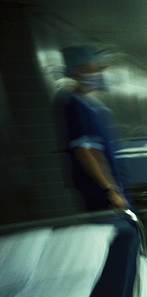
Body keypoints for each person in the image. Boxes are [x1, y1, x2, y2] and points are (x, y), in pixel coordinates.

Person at [56, 45, 129, 211]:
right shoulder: (74, 105)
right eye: (90, 70)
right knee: (117, 230)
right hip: (100, 190)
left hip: (111, 186)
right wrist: (109, 190)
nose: (97, 74)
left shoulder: (89, 104)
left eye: (98, 69)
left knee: (125, 230)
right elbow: (85, 152)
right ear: (75, 73)